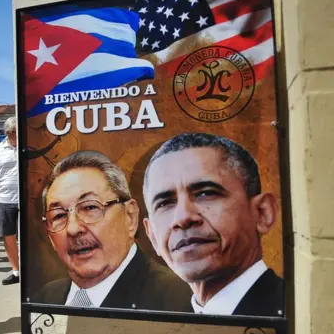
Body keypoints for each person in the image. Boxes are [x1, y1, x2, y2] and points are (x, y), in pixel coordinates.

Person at [142, 133, 284, 317]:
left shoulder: (304, 316)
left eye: (206, 193)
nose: (182, 218)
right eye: (164, 203)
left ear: (263, 213)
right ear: (152, 235)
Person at [34, 150, 192, 311]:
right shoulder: (47, 297)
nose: (73, 229)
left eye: (90, 207)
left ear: (130, 216)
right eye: (59, 215)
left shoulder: (180, 301)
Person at [0, 116, 20, 285]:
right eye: (9, 132)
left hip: (26, 198)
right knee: (8, 236)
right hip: (4, 199)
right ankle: (16, 271)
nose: (12, 135)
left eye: (15, 131)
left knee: (30, 236)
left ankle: (31, 269)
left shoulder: (27, 146)